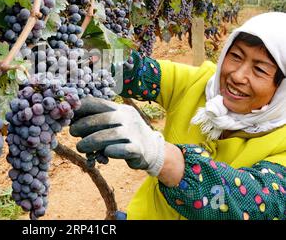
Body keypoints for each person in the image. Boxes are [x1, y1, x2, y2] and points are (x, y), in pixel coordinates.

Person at [69, 12, 286, 220]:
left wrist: (163, 156)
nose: (238, 76)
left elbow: (255, 204)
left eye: (259, 70)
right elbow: (135, 72)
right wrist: (74, 56)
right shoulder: (200, 83)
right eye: (236, 56)